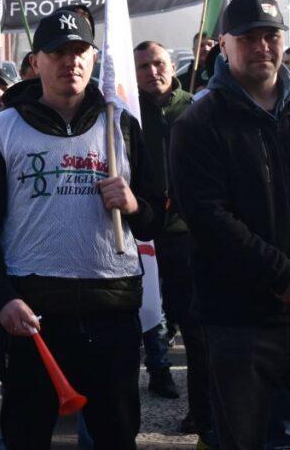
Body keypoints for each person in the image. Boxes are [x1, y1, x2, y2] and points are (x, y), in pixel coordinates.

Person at [0, 9, 162, 448]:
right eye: (57, 53)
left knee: (115, 436)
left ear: (93, 59)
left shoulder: (123, 126)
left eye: (79, 51)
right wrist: (3, 298)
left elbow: (154, 223)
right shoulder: (1, 130)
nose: (70, 62)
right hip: (33, 316)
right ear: (36, 61)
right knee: (26, 436)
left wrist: (132, 204)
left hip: (111, 309)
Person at [169, 0, 290, 447]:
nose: (262, 47)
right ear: (224, 44)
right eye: (248, 38)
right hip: (237, 321)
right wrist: (281, 275)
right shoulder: (199, 123)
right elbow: (207, 217)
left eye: (270, 36)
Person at [133, 41, 210, 437]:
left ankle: (201, 412)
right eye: (143, 66)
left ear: (171, 65)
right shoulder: (125, 112)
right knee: (136, 324)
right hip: (138, 236)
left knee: (194, 328)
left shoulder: (196, 107)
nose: (151, 72)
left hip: (184, 237)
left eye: (157, 63)